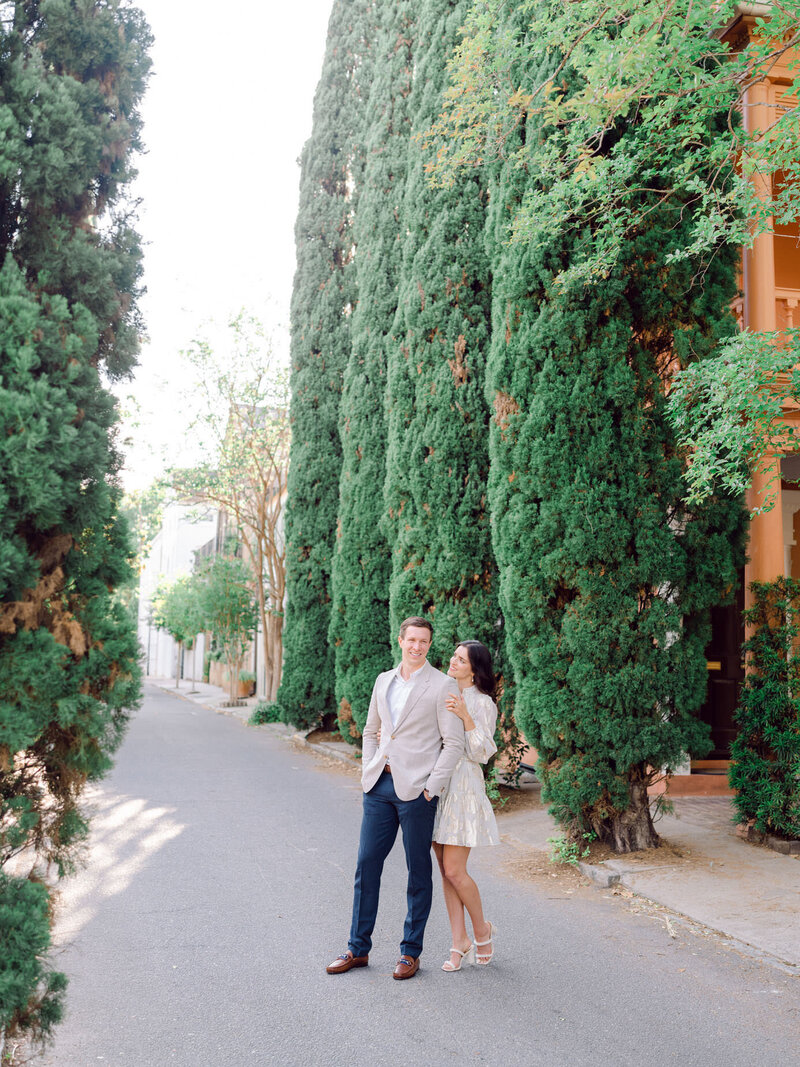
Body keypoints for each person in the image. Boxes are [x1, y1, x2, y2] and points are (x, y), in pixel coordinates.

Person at [326, 616, 464, 980]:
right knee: (366, 864)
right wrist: (368, 769)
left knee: (418, 872)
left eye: (424, 642)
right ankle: (358, 948)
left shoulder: (443, 684)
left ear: (429, 646)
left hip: (417, 792)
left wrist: (430, 788)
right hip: (379, 788)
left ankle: (410, 953)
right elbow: (371, 731)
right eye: (412, 640)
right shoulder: (383, 680)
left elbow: (454, 743)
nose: (417, 647)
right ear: (400, 640)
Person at [432, 640, 500, 971]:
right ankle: (458, 941)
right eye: (454, 657)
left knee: (456, 870)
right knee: (445, 872)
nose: (453, 661)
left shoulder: (483, 703)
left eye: (461, 659)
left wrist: (466, 716)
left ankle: (482, 930)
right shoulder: (442, 692)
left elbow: (482, 753)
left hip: (463, 790)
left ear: (474, 669)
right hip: (437, 787)